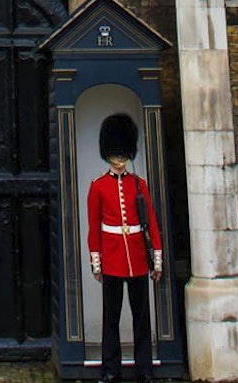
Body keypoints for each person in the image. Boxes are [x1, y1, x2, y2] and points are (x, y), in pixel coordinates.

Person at [87, 113, 163, 383]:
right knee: (112, 318)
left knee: (141, 318)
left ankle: (144, 369)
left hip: (138, 259)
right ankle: (110, 369)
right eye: (115, 154)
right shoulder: (98, 186)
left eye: (122, 154)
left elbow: (150, 223)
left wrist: (157, 260)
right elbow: (94, 228)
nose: (118, 160)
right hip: (112, 259)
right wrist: (97, 262)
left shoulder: (139, 184)